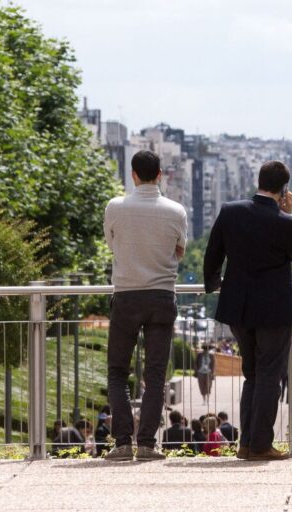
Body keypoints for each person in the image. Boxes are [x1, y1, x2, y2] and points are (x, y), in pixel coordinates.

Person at [203, 160, 292, 461]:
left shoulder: (231, 211)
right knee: (268, 377)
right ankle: (260, 444)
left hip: (238, 306)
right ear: (283, 189)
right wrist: (289, 215)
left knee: (251, 375)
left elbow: (213, 252)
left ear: (258, 181)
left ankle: (247, 443)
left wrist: (212, 282)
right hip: (274, 310)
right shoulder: (285, 221)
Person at [103, 150, 187, 462]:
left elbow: (112, 244)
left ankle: (122, 441)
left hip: (126, 294)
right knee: (155, 375)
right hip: (162, 295)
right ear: (160, 175)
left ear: (133, 174)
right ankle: (148, 443)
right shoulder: (175, 210)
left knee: (117, 371)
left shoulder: (115, 207)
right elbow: (179, 250)